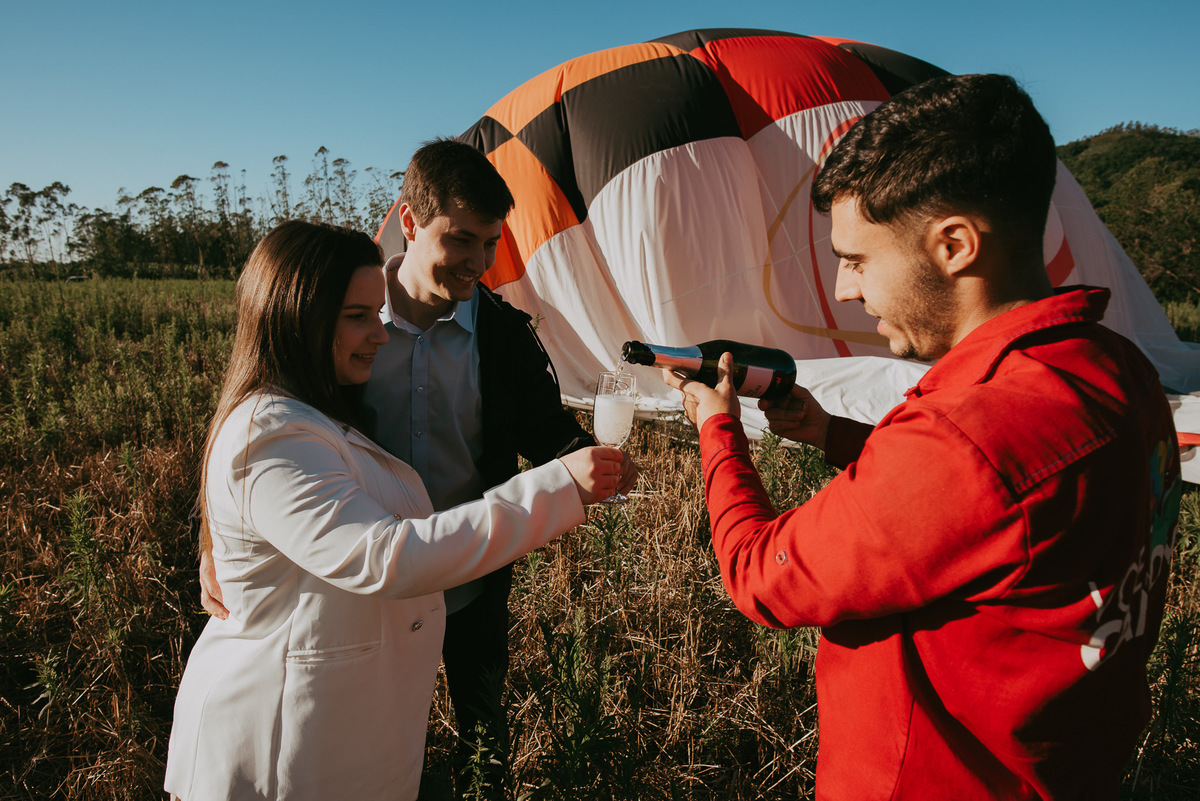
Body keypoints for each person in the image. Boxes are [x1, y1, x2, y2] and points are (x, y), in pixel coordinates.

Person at [663, 74, 1183, 799]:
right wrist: (833, 433)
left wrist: (718, 426)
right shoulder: (1120, 369)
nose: (847, 289)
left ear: (954, 245)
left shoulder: (960, 436)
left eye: (858, 259)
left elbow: (759, 573)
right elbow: (995, 516)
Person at [199, 140, 639, 790]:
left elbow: (547, 432)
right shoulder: (337, 329)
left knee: (483, 735)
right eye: (462, 239)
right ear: (409, 221)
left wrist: (583, 460)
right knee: (355, 737)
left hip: (472, 582)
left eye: (490, 243)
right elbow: (261, 433)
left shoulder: (506, 336)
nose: (479, 262)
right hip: (358, 593)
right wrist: (220, 537)